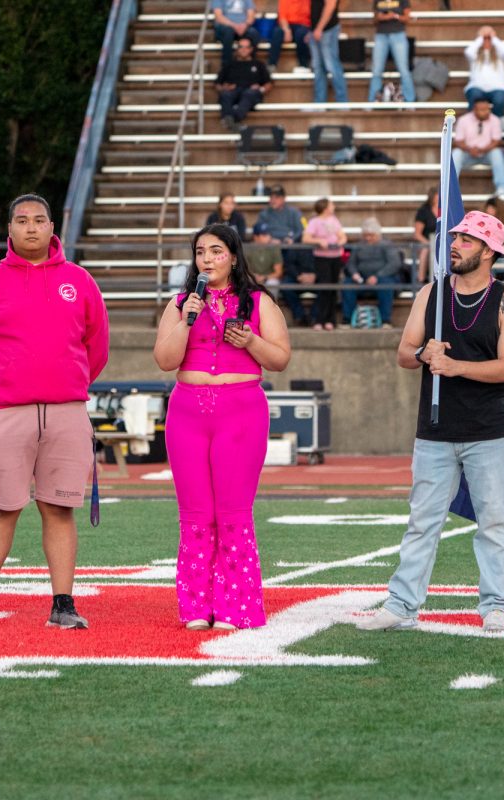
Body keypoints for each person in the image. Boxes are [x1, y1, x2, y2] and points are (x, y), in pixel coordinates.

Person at [358, 211, 504, 633]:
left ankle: (495, 605)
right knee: (423, 520)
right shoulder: (430, 293)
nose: (455, 245)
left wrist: (455, 366)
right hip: (434, 430)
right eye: (455, 238)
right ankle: (402, 604)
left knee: (493, 520)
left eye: (467, 241)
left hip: (488, 429)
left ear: (489, 252)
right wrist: (423, 355)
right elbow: (404, 352)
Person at [0, 193, 110, 629]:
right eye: (22, 220)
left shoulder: (79, 280)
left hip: (66, 412)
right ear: (10, 230)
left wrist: (66, 385)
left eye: (40, 220)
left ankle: (63, 603)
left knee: (59, 508)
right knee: (2, 507)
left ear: (53, 227)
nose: (32, 227)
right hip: (6, 412)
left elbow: (97, 347)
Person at [152, 223, 291, 630]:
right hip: (187, 413)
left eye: (216, 251)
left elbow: (280, 358)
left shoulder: (259, 301)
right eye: (200, 252)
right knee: (195, 514)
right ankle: (196, 606)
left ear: (233, 256)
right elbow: (164, 358)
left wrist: (250, 342)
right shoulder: (180, 304)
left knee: (232, 513)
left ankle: (236, 606)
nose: (207, 259)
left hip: (241, 411)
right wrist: (186, 322)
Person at [255, 185, 312, 326]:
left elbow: (303, 229)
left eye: (277, 197)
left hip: (290, 250)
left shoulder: (294, 212)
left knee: (291, 254)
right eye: (272, 197)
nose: (273, 200)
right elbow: (260, 231)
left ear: (283, 198)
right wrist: (272, 239)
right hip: (271, 247)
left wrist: (292, 239)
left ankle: (283, 275)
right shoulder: (264, 214)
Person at [341, 216, 403, 328]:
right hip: (361, 279)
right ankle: (347, 318)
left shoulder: (387, 245)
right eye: (366, 235)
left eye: (371, 235)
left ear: (377, 234)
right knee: (347, 284)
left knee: (386, 285)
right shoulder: (359, 246)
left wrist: (377, 276)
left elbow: (394, 264)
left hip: (382, 278)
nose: (368, 238)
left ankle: (386, 320)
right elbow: (351, 263)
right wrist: (354, 273)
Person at [302, 197, 346, 329]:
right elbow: (306, 238)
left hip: (335, 256)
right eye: (331, 204)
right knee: (324, 288)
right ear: (326, 208)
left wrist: (339, 243)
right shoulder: (315, 222)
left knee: (333, 288)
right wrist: (319, 241)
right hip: (322, 258)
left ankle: (330, 320)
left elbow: (342, 236)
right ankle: (319, 319)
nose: (334, 206)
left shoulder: (334, 220)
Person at [451, 97, 504, 196]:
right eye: (482, 110)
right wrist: (470, 149)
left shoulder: (494, 120)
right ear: (474, 109)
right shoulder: (464, 120)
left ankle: (502, 187)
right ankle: (450, 188)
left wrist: (483, 149)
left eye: (487, 109)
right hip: (468, 154)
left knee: (497, 153)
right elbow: (458, 141)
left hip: (487, 153)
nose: (486, 112)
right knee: (456, 154)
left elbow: (496, 140)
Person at [215, 36, 272, 129]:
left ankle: (232, 119)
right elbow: (218, 84)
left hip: (250, 92)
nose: (244, 50)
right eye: (241, 47)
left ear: (251, 49)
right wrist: (224, 88)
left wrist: (260, 89)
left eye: (246, 47)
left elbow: (268, 83)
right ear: (237, 49)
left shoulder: (258, 64)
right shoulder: (229, 64)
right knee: (225, 95)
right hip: (233, 91)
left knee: (249, 94)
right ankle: (230, 120)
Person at [368, 0, 415, 104]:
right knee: (376, 70)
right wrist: (381, 17)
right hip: (381, 35)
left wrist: (394, 16)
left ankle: (410, 101)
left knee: (403, 69)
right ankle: (372, 101)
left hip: (398, 34)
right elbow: (374, 20)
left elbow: (407, 18)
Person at [464, 26, 504, 118]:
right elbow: (468, 52)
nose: (487, 41)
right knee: (474, 96)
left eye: (489, 38)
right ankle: (473, 124)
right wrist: (481, 38)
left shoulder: (499, 56)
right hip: (477, 87)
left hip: (497, 88)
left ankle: (495, 124)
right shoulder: (475, 56)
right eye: (484, 38)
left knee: (499, 100)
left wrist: (493, 38)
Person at [309, 0, 348, 103]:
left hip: (327, 30)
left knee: (333, 66)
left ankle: (342, 101)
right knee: (319, 69)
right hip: (316, 31)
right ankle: (319, 102)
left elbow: (330, 5)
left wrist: (319, 28)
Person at [212, 0, 259, 68]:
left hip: (243, 26)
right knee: (228, 32)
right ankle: (226, 65)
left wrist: (245, 25)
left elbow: (251, 15)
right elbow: (219, 17)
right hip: (225, 27)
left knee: (253, 33)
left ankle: (252, 64)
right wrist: (234, 25)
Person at [267, 0, 312, 71]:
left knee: (301, 33)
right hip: (287, 25)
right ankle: (272, 64)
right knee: (277, 32)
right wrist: (287, 30)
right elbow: (282, 16)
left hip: (304, 26)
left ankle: (304, 65)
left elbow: (312, 15)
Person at [245, 222, 283, 288]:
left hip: (269, 278)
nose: (268, 237)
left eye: (269, 234)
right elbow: (244, 270)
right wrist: (253, 276)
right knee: (246, 282)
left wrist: (265, 277)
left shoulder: (274, 247)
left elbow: (278, 272)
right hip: (252, 278)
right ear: (255, 237)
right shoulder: (247, 249)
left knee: (273, 283)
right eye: (264, 235)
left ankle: (270, 299)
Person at [413, 187, 438, 282]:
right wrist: (429, 243)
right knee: (425, 250)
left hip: (440, 240)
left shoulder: (445, 209)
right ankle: (421, 278)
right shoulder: (423, 211)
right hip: (426, 241)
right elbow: (417, 234)